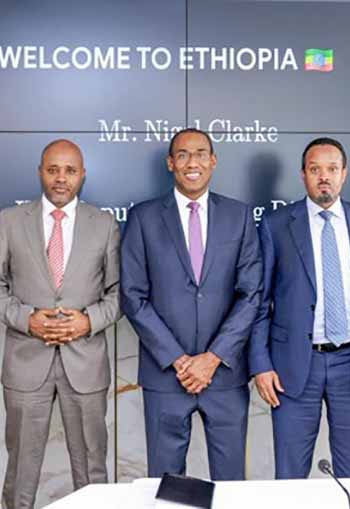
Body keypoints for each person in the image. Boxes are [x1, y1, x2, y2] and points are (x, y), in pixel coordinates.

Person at [250, 137, 350, 479]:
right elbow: (259, 301)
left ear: (344, 174)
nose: (324, 177)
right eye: (315, 169)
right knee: (290, 476)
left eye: (332, 169)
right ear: (303, 175)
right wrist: (260, 364)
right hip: (292, 366)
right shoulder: (276, 225)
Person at [0, 139, 121, 509]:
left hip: (85, 366)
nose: (61, 178)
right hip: (27, 363)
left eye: (70, 171)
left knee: (92, 470)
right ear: (40, 172)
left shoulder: (104, 224)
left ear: (83, 175)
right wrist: (27, 319)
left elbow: (120, 293)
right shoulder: (11, 220)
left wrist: (88, 321)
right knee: (21, 470)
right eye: (53, 169)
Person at [120, 128, 262, 480]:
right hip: (167, 376)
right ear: (171, 163)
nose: (191, 162)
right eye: (182, 155)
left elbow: (250, 293)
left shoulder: (239, 215)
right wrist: (179, 360)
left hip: (224, 375)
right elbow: (133, 296)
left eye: (200, 154)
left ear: (213, 161)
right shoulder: (143, 217)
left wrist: (212, 358)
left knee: (231, 485)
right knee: (167, 485)